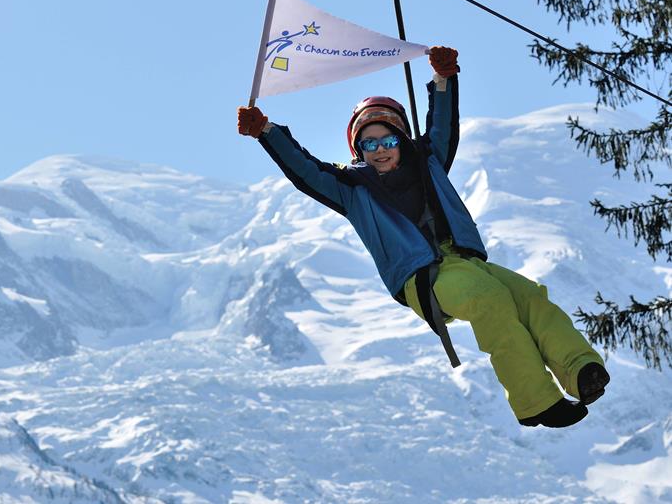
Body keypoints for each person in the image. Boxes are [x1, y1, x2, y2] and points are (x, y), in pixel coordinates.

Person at [237, 47, 610, 428]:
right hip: (423, 276)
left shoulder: (429, 163)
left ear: (402, 139)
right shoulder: (352, 189)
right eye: (369, 143)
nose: (380, 150)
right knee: (488, 299)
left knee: (529, 296)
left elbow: (443, 127)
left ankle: (580, 369)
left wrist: (444, 79)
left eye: (388, 140)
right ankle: (536, 402)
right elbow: (307, 171)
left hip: (463, 260)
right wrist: (266, 132)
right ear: (358, 150)